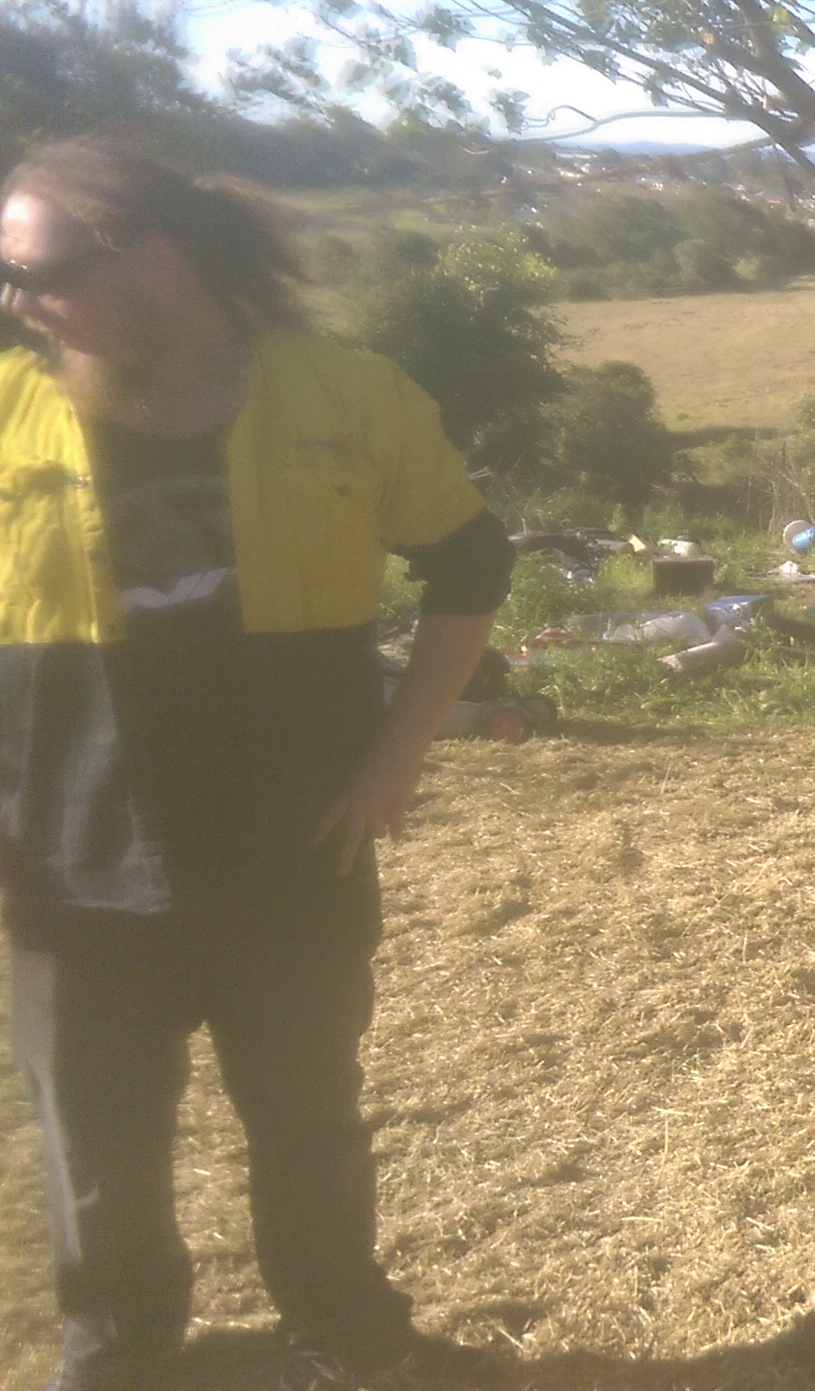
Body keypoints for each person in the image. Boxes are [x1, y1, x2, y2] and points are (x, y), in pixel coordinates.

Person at [0, 139, 514, 1390]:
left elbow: (470, 560)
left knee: (308, 1120)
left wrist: (397, 756)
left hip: (295, 843)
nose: (19, 303)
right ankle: (116, 1358)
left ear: (153, 256)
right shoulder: (10, 410)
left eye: (41, 275)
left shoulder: (349, 394)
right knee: (98, 1146)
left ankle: (350, 1341)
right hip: (67, 859)